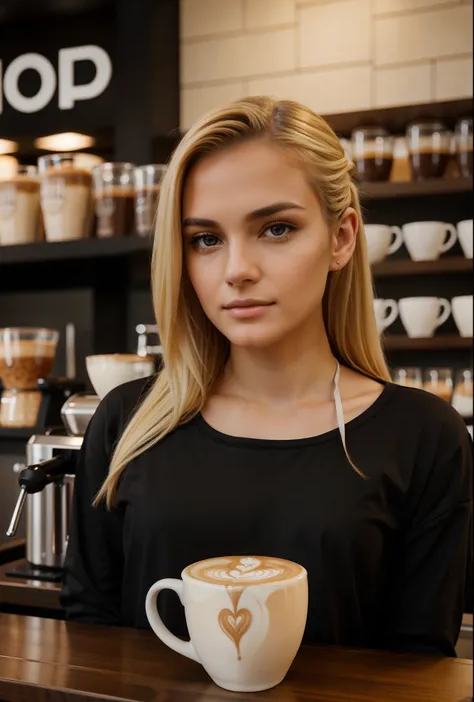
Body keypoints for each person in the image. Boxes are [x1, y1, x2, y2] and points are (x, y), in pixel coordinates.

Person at [61, 97, 472, 657]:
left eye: (276, 229)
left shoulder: (424, 436)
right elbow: (91, 637)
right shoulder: (128, 423)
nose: (236, 271)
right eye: (206, 239)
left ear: (342, 237)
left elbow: (420, 665)